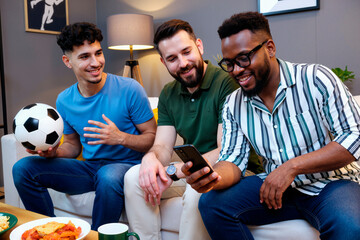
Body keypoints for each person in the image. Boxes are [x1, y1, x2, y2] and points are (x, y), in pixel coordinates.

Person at [188, 12, 360, 240]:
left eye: (243, 58)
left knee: (350, 226)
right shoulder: (233, 104)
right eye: (229, 64)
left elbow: (353, 136)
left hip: (331, 184)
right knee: (211, 204)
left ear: (269, 48)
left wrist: (291, 167)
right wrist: (212, 177)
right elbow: (232, 159)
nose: (236, 70)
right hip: (276, 191)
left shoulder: (316, 79)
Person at [124, 19, 262, 240]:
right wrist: (150, 159)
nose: (183, 63)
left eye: (186, 52)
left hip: (235, 170)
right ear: (163, 62)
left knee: (198, 190)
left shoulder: (226, 83)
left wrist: (177, 170)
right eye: (172, 58)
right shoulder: (169, 93)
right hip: (191, 170)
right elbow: (161, 145)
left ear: (199, 46)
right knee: (133, 177)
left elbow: (224, 149)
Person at [12, 22, 156, 230]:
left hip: (127, 167)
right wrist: (54, 154)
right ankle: (50, 231)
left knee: (108, 176)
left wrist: (120, 138)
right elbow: (72, 145)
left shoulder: (130, 89)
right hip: (90, 169)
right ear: (67, 61)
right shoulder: (64, 100)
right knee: (23, 168)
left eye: (98, 53)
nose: (95, 62)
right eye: (84, 56)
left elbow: (152, 137)